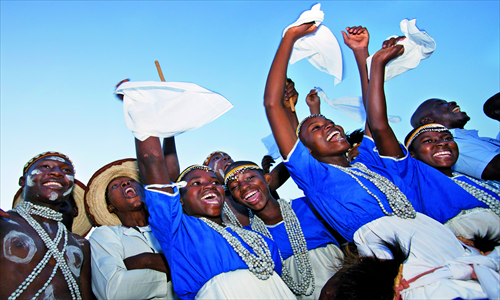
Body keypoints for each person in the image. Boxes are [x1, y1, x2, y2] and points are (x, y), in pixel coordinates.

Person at [264, 21, 497, 299]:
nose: (329, 126)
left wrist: (362, 53)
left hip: (435, 235)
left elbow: (374, 117)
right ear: (306, 151)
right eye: (316, 128)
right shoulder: (314, 176)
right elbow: (272, 104)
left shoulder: (370, 164)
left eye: (330, 122)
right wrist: (289, 39)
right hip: (393, 253)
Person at [363, 35, 499, 298]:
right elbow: (378, 125)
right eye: (428, 141)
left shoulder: (466, 177)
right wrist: (375, 63)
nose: (442, 143)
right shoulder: (413, 174)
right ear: (410, 154)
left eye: (447, 138)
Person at [135, 134, 297, 299]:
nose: (208, 186)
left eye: (214, 182)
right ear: (180, 200)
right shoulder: (180, 233)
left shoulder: (261, 240)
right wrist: (151, 124)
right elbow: (152, 161)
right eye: (196, 183)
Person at [225, 161, 343, 299]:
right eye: (234, 186)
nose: (244, 186)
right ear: (235, 199)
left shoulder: (309, 206)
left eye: (250, 177)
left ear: (267, 179)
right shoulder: (248, 238)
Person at [0, 152, 93, 300]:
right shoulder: (4, 224)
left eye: (66, 171)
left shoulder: (81, 244)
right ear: (23, 181)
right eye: (45, 166)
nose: (57, 172)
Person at [85, 158, 178, 300]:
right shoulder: (105, 235)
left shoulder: (171, 226)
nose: (125, 183)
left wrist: (144, 261)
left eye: (131, 181)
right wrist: (179, 271)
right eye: (115, 186)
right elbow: (112, 290)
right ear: (111, 207)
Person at [411, 95, 500, 181]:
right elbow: (496, 168)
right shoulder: (449, 147)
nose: (452, 102)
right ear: (428, 121)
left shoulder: (480, 139)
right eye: (440, 104)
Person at [12, 179, 93, 237]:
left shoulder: (83, 248)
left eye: (60, 205)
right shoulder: (18, 242)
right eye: (43, 207)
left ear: (74, 211)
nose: (51, 211)